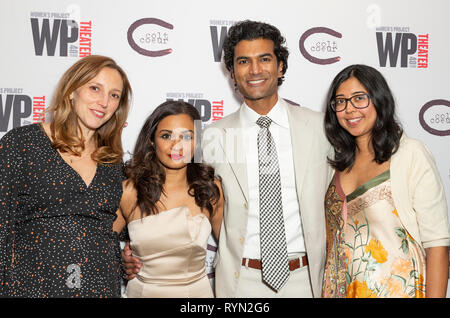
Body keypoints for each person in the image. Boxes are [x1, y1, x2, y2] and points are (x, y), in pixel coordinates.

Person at [0, 55, 132, 297]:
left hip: (100, 286)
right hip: (33, 287)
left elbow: (116, 227)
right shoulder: (22, 143)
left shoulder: (112, 161)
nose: (104, 102)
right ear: (72, 91)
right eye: (95, 88)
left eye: (114, 95)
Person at [322, 64, 450, 298]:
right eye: (340, 101)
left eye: (359, 98)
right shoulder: (334, 164)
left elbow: (438, 246)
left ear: (380, 100)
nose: (349, 109)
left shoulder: (410, 154)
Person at [114, 101, 224, 298]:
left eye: (187, 136)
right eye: (166, 136)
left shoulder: (210, 191)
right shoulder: (129, 191)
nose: (176, 145)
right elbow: (98, 246)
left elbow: (230, 251)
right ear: (152, 141)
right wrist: (120, 262)